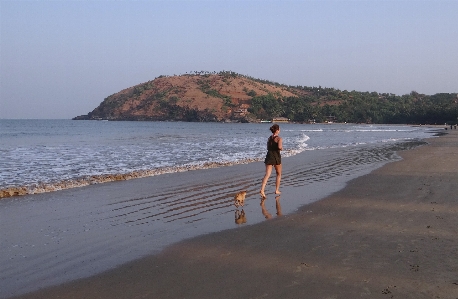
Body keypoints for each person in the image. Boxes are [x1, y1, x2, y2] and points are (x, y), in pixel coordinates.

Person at [260, 124, 282, 198]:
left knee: (267, 174)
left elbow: (267, 147)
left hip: (269, 156)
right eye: (279, 129)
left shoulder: (269, 138)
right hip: (276, 157)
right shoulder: (279, 138)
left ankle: (262, 190)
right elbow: (279, 147)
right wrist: (281, 148)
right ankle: (276, 190)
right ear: (277, 130)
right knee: (278, 174)